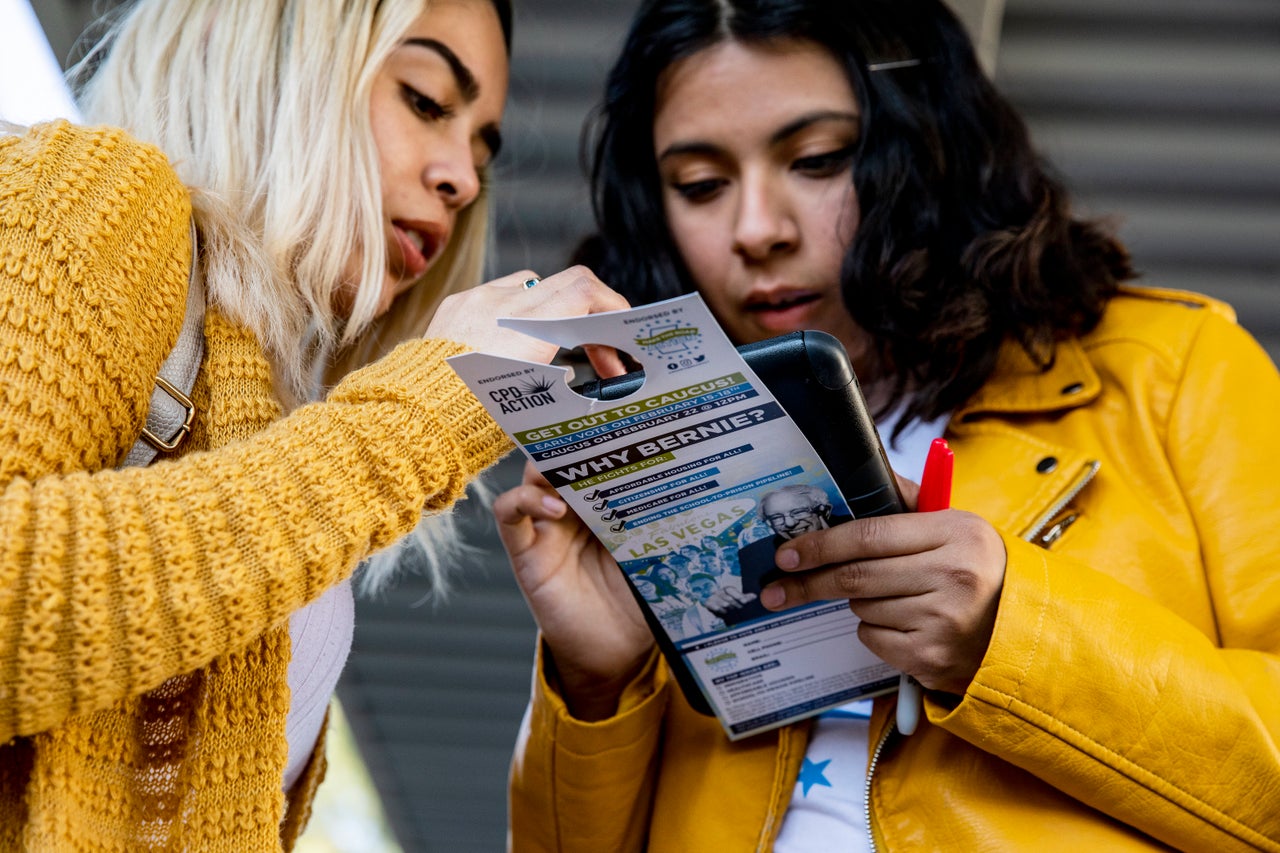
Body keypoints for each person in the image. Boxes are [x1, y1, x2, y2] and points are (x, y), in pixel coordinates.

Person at [494, 0, 1280, 850]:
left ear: (932, 147)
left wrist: (1010, 635)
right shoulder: (660, 472)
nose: (758, 229)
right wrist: (596, 681)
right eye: (701, 185)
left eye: (820, 159)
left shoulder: (1175, 367)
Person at [0, 0, 629, 849]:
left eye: (481, 145)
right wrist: (416, 422)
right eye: (425, 100)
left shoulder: (267, 404)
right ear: (275, 55)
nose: (464, 178)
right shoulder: (90, 193)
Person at [718, 484, 851, 625]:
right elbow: (753, 610)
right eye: (776, 517)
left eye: (799, 512)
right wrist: (726, 606)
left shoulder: (855, 525)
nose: (789, 523)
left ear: (825, 510)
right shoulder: (754, 555)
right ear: (769, 524)